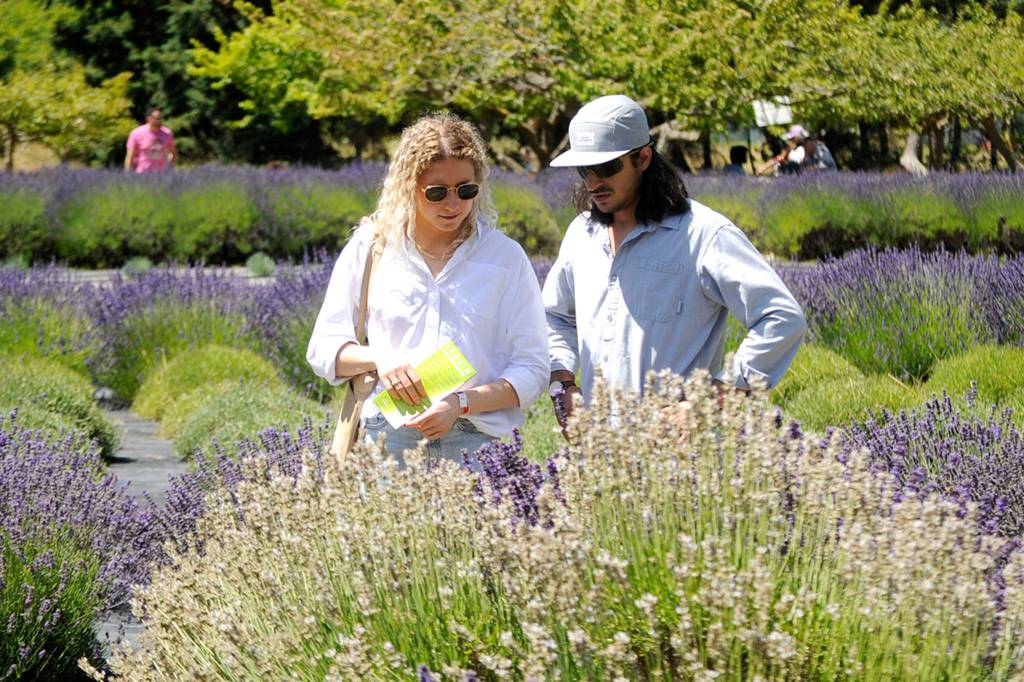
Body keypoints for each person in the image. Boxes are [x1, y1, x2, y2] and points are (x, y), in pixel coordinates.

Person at [543, 95, 807, 428]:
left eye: (606, 168)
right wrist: (562, 381)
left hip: (677, 456)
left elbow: (781, 318)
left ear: (643, 158)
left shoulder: (703, 235)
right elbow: (556, 317)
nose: (593, 182)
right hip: (600, 454)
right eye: (584, 170)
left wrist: (713, 399)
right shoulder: (581, 234)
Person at [307, 114, 549, 466]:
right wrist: (382, 360)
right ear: (409, 186)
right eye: (436, 193)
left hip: (477, 445)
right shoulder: (372, 248)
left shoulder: (505, 258)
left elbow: (533, 369)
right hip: (387, 442)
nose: (453, 204)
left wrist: (461, 403)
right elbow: (324, 349)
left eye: (466, 190)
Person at [758, 124, 836, 175]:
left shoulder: (810, 144)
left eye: (792, 138)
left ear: (798, 137)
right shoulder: (799, 145)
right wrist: (764, 166)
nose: (790, 141)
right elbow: (780, 157)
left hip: (826, 170)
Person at [124, 109, 176, 173]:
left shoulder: (167, 133)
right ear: (149, 118)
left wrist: (170, 167)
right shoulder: (136, 133)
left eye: (161, 118)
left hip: (162, 174)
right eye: (157, 118)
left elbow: (173, 153)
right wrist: (128, 173)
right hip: (142, 174)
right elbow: (130, 156)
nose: (159, 121)